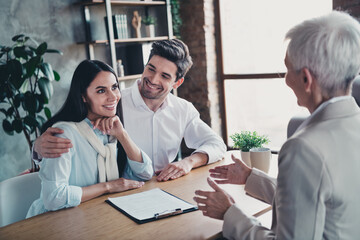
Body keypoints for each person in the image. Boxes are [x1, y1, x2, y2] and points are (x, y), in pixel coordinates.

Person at [194, 11, 360, 239]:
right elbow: (315, 198)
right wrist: (251, 177)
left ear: (306, 79)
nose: (285, 78)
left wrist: (230, 213)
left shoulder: (305, 148)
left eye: (287, 68)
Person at [32, 39, 227, 182]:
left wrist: (188, 162)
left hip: (166, 189)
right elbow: (75, 129)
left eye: (165, 76)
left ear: (178, 82)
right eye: (151, 69)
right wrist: (38, 147)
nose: (153, 79)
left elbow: (217, 145)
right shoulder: (112, 103)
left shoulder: (182, 109)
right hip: (122, 194)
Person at [27, 60, 153, 218]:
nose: (113, 96)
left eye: (114, 87)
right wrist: (108, 187)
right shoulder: (64, 134)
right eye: (101, 91)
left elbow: (146, 173)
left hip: (96, 216)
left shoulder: (111, 129)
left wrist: (122, 135)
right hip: (56, 220)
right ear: (83, 96)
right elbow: (53, 198)